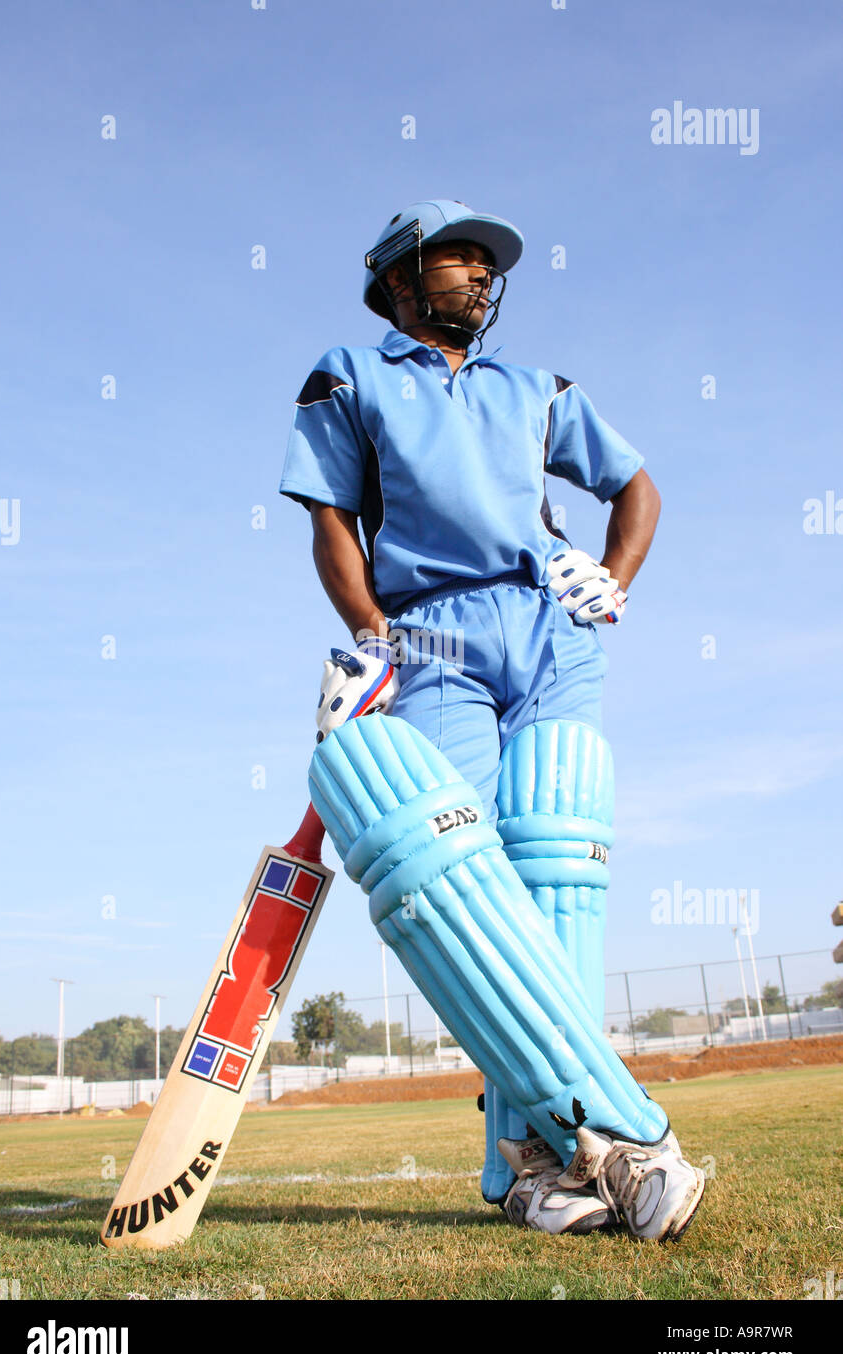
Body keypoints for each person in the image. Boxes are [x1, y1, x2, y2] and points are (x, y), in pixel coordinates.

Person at [279, 199, 705, 1241]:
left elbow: (635, 483)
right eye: (456, 258)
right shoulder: (349, 373)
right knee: (458, 885)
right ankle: (605, 1141)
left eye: (484, 262)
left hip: (550, 628)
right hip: (430, 638)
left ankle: (526, 1169)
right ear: (397, 277)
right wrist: (373, 634)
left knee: (559, 866)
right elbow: (330, 521)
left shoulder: (535, 386)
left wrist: (612, 576)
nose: (478, 274)